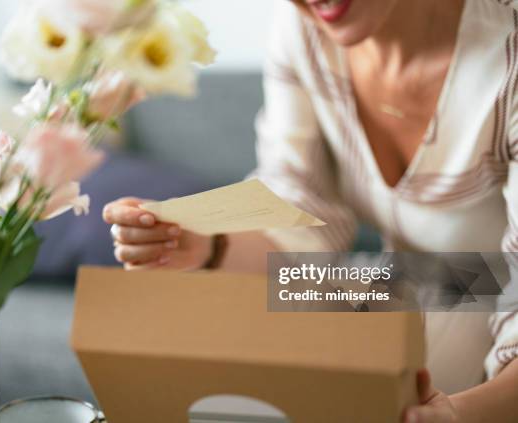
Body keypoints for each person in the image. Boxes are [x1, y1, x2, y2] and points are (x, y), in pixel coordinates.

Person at [103, 0, 518, 421]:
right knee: (244, 311)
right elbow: (299, 201)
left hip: (494, 298)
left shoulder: (508, 52)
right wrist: (206, 244)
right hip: (411, 281)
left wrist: (462, 414)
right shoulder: (305, 33)